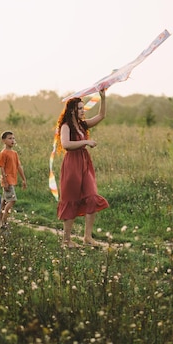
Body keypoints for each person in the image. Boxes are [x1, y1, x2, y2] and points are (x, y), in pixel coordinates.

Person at [55, 89, 109, 248]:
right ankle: (66, 241)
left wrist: (103, 98)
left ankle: (87, 237)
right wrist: (85, 142)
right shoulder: (66, 126)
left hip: (85, 162)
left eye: (82, 107)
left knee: (92, 196)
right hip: (72, 164)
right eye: (79, 108)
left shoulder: (82, 125)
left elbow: (101, 116)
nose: (82, 110)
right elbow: (66, 144)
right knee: (71, 199)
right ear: (72, 110)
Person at [0, 131, 27, 228]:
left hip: (12, 180)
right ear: (4, 141)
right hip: (8, 180)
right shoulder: (3, 153)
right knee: (12, 200)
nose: (12, 140)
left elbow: (19, 166)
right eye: (10, 138)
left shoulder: (14, 153)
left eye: (13, 138)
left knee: (4, 202)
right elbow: (1, 167)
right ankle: (4, 222)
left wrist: (24, 179)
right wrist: (5, 181)